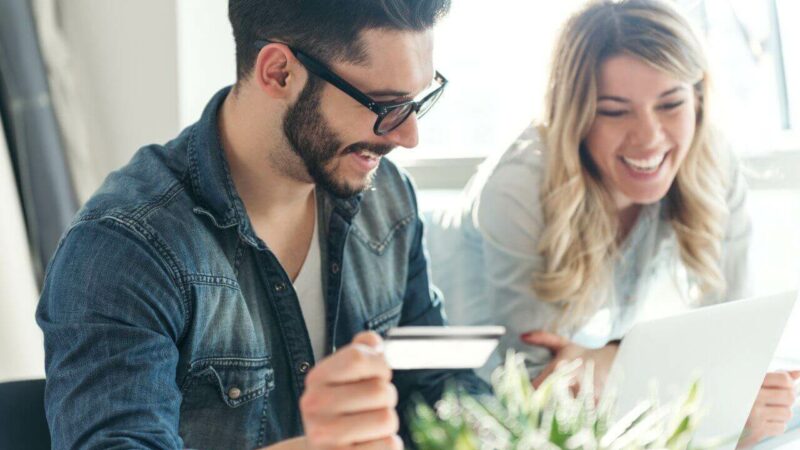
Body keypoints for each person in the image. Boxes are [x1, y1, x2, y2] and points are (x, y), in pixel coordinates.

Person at [36, 1, 488, 449]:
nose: (408, 136)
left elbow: (441, 389)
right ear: (279, 73)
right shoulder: (125, 248)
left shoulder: (387, 199)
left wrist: (539, 406)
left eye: (417, 102)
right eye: (386, 105)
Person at [428, 0, 797, 447]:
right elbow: (539, 388)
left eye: (670, 103)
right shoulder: (519, 185)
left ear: (697, 99)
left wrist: (614, 362)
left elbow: (740, 343)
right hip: (442, 364)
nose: (649, 137)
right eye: (615, 110)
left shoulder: (710, 158)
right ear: (575, 114)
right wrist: (621, 362)